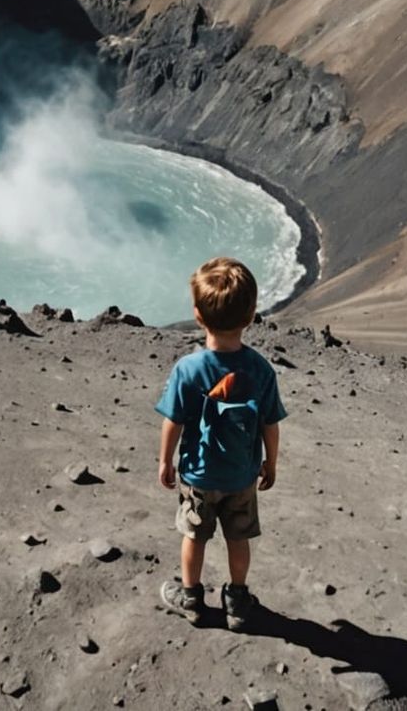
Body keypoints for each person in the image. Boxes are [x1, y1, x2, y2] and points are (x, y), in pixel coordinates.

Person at [155, 256, 286, 631]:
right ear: (251, 316)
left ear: (198, 315)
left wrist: (165, 461)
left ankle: (192, 599)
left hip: (198, 476)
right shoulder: (260, 369)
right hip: (242, 477)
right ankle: (238, 603)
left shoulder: (188, 369)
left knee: (194, 536)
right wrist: (270, 463)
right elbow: (270, 424)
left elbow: (173, 421)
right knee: (238, 539)